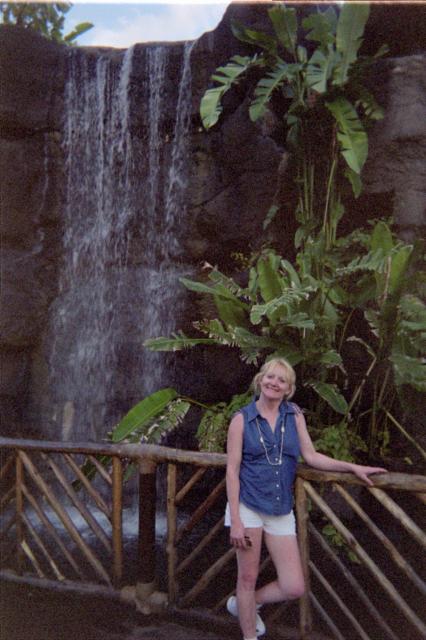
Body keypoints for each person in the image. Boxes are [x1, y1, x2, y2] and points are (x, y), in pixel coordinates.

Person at [225, 357, 386, 640]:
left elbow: (311, 456)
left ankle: (243, 605)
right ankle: (249, 635)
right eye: (270, 377)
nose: (274, 383)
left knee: (294, 586)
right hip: (248, 505)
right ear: (260, 380)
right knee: (247, 578)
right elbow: (232, 470)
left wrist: (352, 467)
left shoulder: (294, 416)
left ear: (289, 389)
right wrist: (236, 520)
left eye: (282, 380)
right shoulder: (241, 420)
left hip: (280, 508)